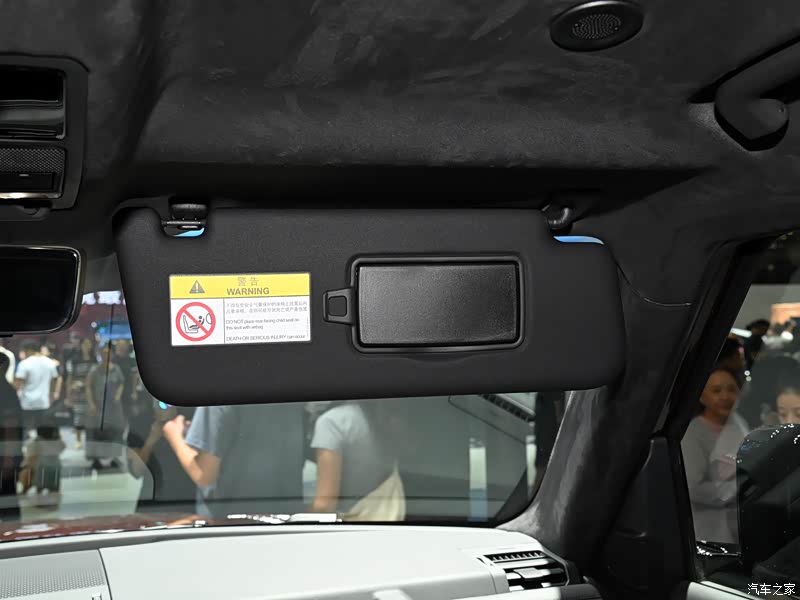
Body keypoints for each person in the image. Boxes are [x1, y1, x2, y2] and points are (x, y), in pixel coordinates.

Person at [163, 402, 305, 517]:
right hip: (287, 523)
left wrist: (174, 435)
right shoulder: (290, 389)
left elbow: (204, 475)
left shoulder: (215, 396)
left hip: (230, 524)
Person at [682, 366, 750, 545]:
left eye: (731, 389)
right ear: (702, 396)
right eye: (716, 391)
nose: (725, 397)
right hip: (709, 528)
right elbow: (693, 487)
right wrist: (737, 489)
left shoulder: (739, 423)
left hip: (740, 522)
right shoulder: (693, 432)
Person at [309, 400, 405, 520]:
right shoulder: (384, 417)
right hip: (391, 518)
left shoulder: (332, 422)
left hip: (350, 525)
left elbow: (324, 506)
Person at [127, 381, 196, 514]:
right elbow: (136, 471)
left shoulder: (190, 418)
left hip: (187, 499)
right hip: (153, 501)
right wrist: (151, 439)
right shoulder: (140, 423)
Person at [85, 345, 125, 471]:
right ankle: (95, 459)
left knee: (115, 432)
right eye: (103, 353)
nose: (106, 355)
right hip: (98, 407)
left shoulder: (116, 369)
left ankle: (115, 457)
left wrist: (118, 395)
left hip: (113, 407)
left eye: (108, 353)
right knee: (95, 433)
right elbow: (88, 387)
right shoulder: (94, 370)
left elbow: (121, 383)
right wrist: (91, 404)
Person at [14, 340, 61, 436]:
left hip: (27, 402)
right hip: (44, 401)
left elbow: (18, 383)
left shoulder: (24, 363)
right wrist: (51, 395)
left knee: (28, 428)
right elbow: (54, 380)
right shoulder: (49, 362)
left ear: (28, 350)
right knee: (42, 429)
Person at [0, 353, 23, 520]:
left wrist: (8, 457)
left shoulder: (5, 391)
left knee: (7, 492)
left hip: (4, 455)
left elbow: (11, 426)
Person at [20, 421, 65, 505]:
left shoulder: (36, 441)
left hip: (41, 467)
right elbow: (62, 447)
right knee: (54, 486)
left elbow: (31, 456)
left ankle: (38, 499)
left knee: (39, 486)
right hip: (56, 467)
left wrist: (26, 465)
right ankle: (54, 499)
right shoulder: (57, 442)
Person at [64, 338, 97, 449]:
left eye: (89, 344)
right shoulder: (74, 360)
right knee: (78, 417)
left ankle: (89, 439)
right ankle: (78, 440)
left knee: (91, 417)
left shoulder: (94, 360)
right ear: (81, 346)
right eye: (85, 344)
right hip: (78, 392)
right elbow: (70, 378)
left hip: (92, 393)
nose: (87, 346)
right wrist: (69, 394)